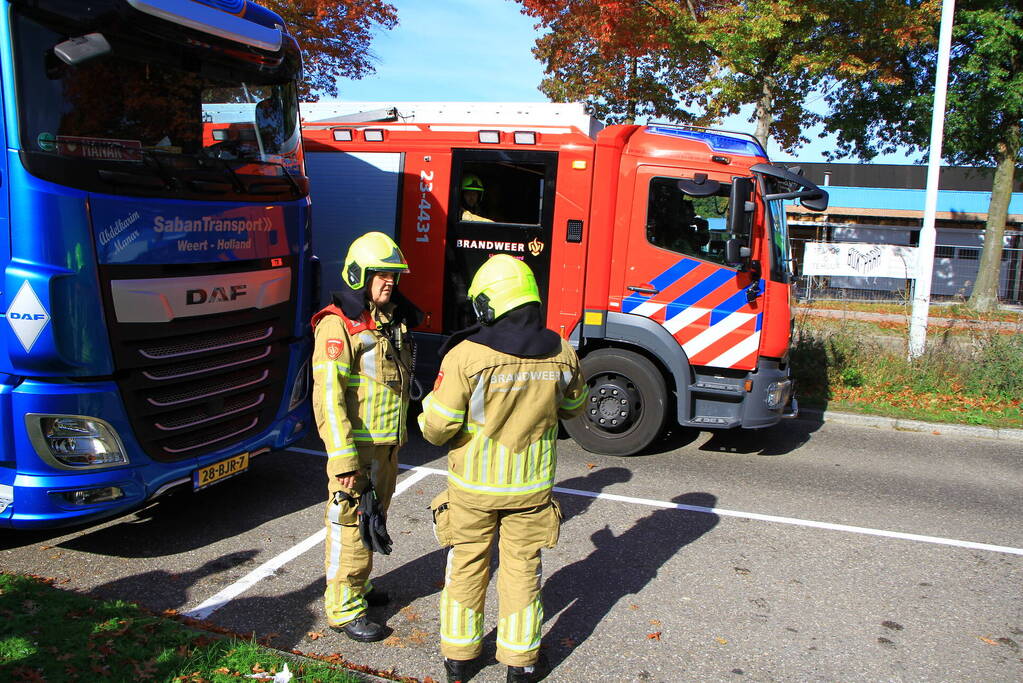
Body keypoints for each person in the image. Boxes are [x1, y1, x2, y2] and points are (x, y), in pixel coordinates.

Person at [418, 255, 588, 683]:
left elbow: (438, 429)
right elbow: (574, 407)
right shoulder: (562, 351)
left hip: (473, 487)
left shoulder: (466, 355)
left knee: (467, 566)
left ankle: (459, 659)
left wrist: (425, 417)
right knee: (523, 570)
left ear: (488, 306)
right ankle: (522, 662)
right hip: (530, 490)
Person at [310, 231, 422, 642]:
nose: (389, 282)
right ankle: (344, 609)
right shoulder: (338, 327)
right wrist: (342, 461)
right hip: (357, 451)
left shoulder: (387, 320)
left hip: (386, 448)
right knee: (351, 524)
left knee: (372, 520)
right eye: (380, 274)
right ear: (359, 274)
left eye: (393, 275)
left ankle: (361, 585)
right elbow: (328, 399)